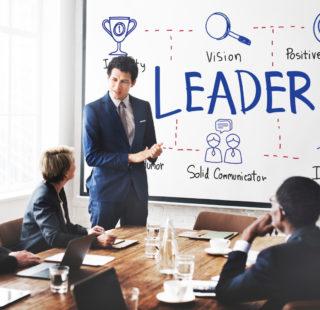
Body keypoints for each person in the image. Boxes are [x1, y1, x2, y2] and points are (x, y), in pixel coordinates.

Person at [215, 176, 320, 309]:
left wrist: (247, 237)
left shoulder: (275, 258)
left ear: (281, 212)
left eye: (273, 202)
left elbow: (225, 292)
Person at [83, 56, 162, 229]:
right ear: (108, 78)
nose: (117, 86)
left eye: (124, 81)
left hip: (137, 191)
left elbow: (149, 146)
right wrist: (130, 157)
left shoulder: (143, 107)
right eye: (114, 79)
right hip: (106, 192)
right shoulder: (93, 110)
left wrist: (154, 153)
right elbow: (91, 157)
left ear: (133, 82)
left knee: (136, 247)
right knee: (100, 247)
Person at [19, 146, 116, 253]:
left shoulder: (57, 189)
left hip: (55, 248)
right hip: (40, 252)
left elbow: (66, 225)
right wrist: (94, 241)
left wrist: (88, 232)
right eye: (73, 163)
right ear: (65, 172)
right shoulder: (43, 198)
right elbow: (53, 237)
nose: (75, 166)